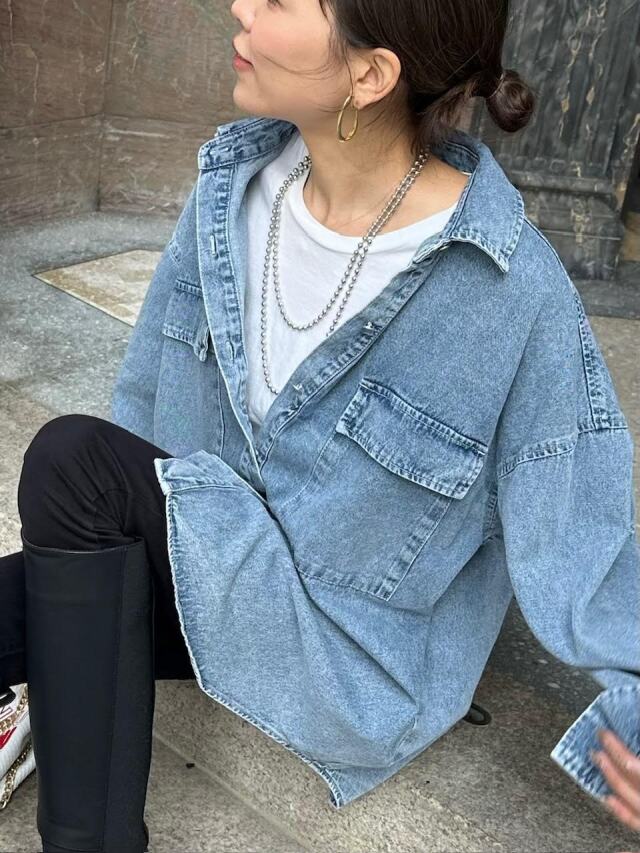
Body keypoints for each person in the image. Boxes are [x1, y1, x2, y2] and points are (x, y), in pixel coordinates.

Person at [1, 0, 639, 849]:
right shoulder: (230, 188)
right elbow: (145, 410)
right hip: (214, 567)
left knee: (70, 459)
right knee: (69, 527)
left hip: (341, 651)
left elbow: (585, 534)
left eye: (279, 1)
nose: (241, 7)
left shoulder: (510, 292)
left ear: (370, 75)